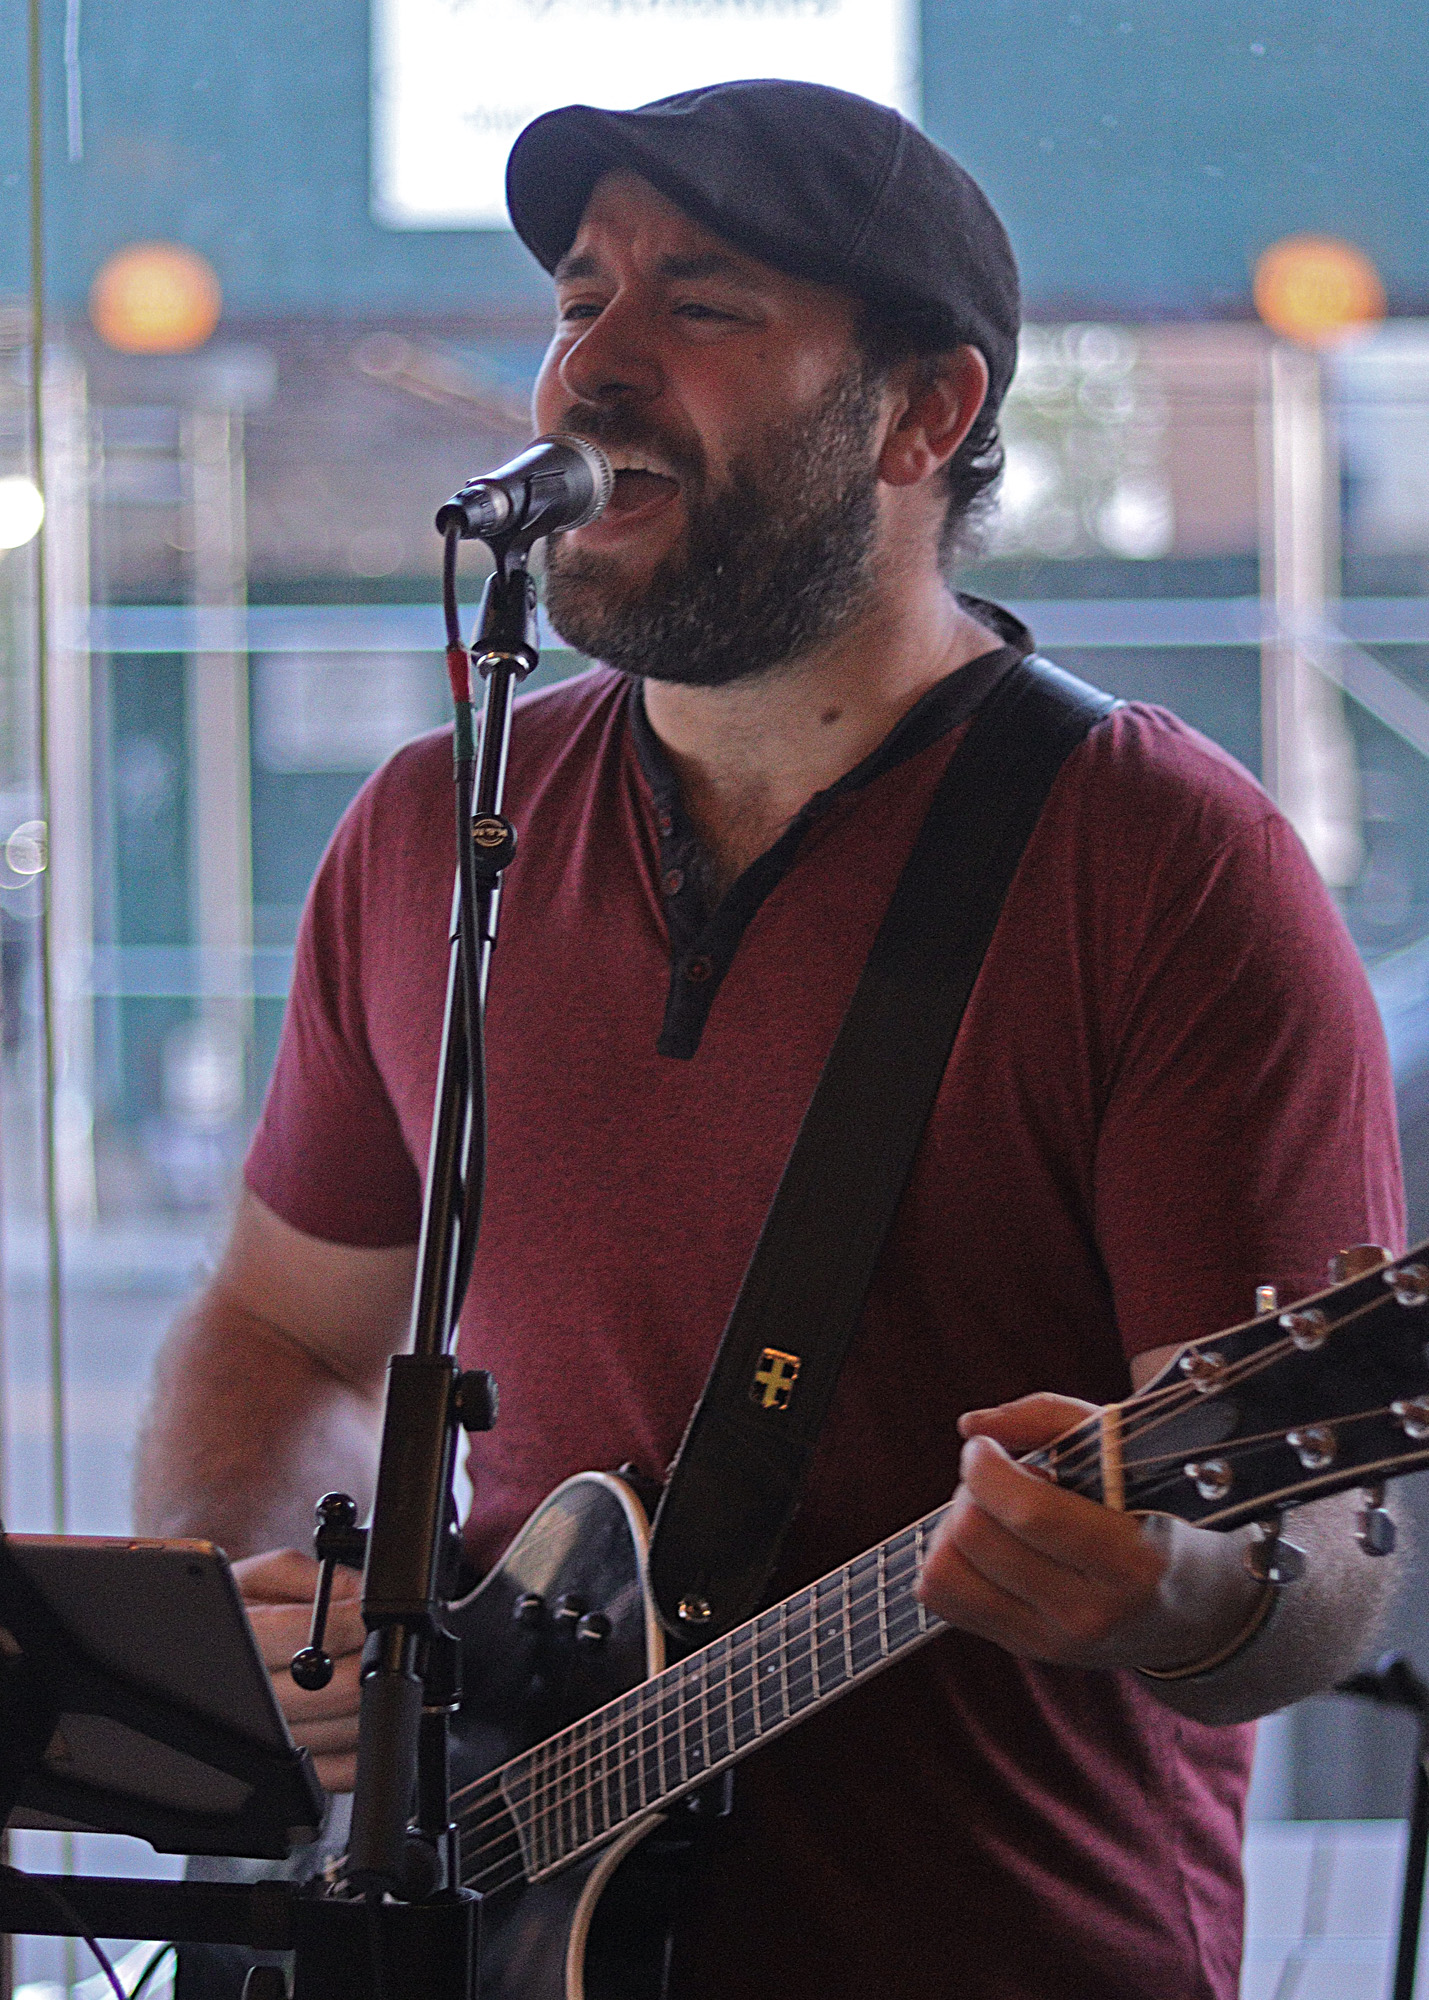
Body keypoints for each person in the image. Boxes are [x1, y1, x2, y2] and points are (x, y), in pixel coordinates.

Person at [135, 80, 1405, 1999]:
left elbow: (1321, 1562)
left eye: (703, 305)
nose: (591, 366)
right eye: (580, 297)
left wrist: (1170, 1589)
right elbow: (285, 1331)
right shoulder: (426, 831)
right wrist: (271, 1629)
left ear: (923, 414)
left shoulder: (1160, 865)